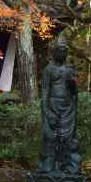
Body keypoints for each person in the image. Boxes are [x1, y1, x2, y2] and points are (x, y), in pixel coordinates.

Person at [39, 39, 81, 174]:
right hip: (53, 105)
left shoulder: (69, 70)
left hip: (67, 107)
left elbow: (74, 93)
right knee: (50, 137)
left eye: (65, 51)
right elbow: (45, 91)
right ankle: (49, 164)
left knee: (68, 138)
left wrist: (73, 85)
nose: (62, 53)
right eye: (60, 50)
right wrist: (45, 111)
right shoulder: (49, 69)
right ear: (54, 52)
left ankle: (68, 165)